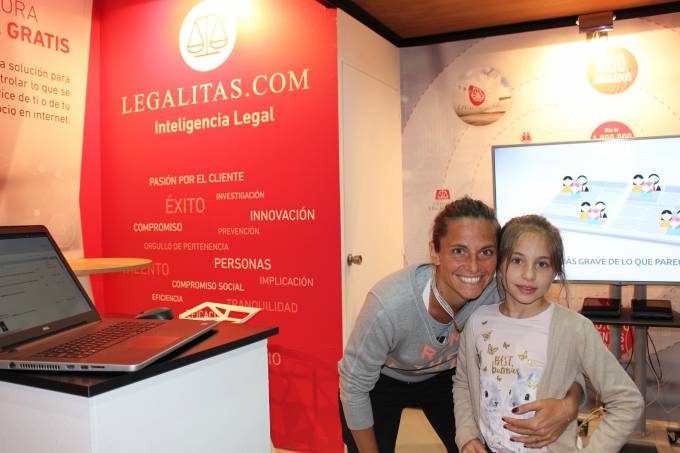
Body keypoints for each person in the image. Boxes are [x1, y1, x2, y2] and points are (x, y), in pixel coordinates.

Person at [339, 197, 583, 453]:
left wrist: (568, 405)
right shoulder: (389, 305)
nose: (474, 266)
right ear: (435, 252)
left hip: (445, 379)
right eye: (458, 251)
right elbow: (354, 385)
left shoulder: (502, 291)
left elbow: (566, 353)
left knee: (474, 445)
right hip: (381, 381)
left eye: (486, 252)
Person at [453, 215, 643, 453]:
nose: (529, 275)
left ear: (555, 271)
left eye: (542, 264)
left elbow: (627, 401)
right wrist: (467, 435)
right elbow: (463, 384)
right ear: (499, 264)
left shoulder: (574, 328)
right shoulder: (478, 322)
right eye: (517, 260)